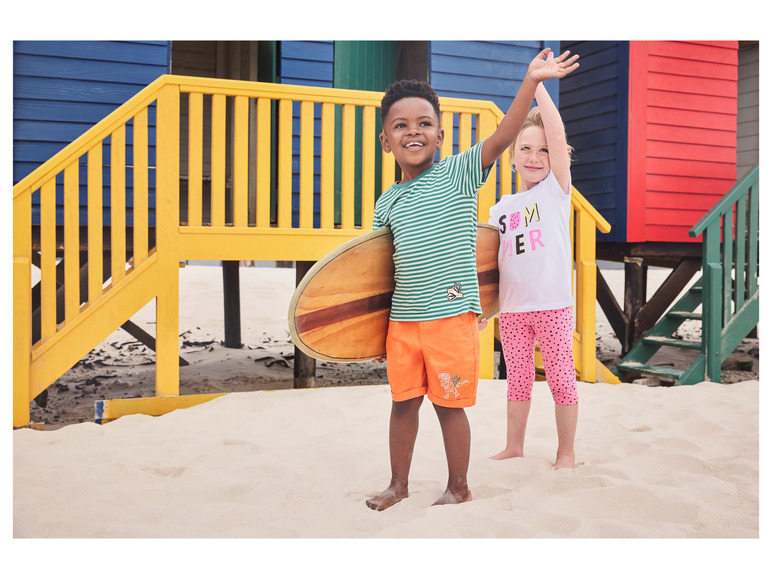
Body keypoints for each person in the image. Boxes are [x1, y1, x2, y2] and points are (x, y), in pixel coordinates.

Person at [366, 48, 579, 511]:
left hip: (449, 315)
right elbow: (378, 269)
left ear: (440, 135)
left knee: (449, 404)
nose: (413, 131)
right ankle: (398, 484)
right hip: (403, 321)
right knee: (402, 403)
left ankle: (458, 486)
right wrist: (374, 330)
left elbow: (505, 133)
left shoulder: (459, 173)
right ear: (386, 140)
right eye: (400, 125)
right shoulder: (387, 203)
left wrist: (531, 83)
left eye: (424, 123)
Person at [487, 78, 579, 469]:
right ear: (512, 156)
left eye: (543, 150)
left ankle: (565, 452)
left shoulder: (556, 191)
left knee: (561, 378)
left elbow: (556, 133)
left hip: (553, 306)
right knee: (518, 379)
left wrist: (537, 81)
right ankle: (514, 446)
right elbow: (491, 267)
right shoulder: (500, 210)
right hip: (512, 311)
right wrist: (483, 309)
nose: (535, 157)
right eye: (525, 148)